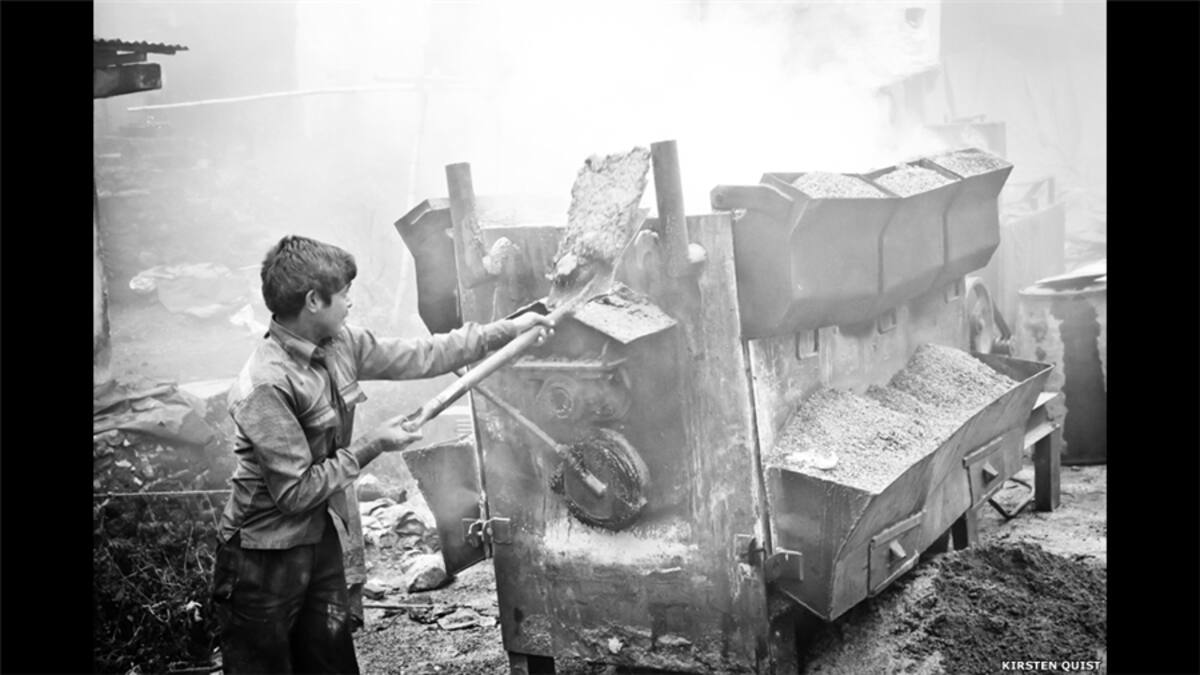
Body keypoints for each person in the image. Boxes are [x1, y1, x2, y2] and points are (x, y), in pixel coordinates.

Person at [211, 235, 552, 674]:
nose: (350, 302)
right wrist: (375, 443)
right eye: (343, 293)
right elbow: (295, 492)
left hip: (318, 536)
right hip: (262, 558)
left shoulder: (339, 344)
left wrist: (506, 330)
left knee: (332, 664)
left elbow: (425, 354)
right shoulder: (266, 385)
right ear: (314, 300)